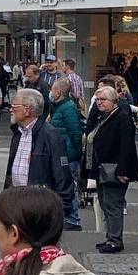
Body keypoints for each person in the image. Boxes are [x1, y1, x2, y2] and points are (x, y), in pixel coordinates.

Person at [85, 86, 138, 254]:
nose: (99, 103)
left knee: (113, 204)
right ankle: (111, 237)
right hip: (102, 169)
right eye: (97, 100)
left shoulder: (122, 118)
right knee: (104, 203)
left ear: (114, 101)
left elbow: (126, 147)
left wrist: (122, 171)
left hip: (115, 169)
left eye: (103, 100)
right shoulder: (103, 117)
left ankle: (115, 240)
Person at [2, 89, 73, 205]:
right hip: (16, 202)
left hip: (39, 206)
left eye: (14, 106)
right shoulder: (17, 133)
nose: (11, 109)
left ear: (27, 110)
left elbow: (62, 176)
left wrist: (61, 209)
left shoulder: (50, 135)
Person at [47, 79, 85, 231]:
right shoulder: (58, 107)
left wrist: (75, 152)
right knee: (62, 186)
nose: (51, 92)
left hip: (68, 154)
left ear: (59, 92)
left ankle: (73, 218)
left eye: (53, 89)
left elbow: (75, 132)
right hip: (61, 153)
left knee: (70, 187)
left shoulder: (67, 108)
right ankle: (65, 217)